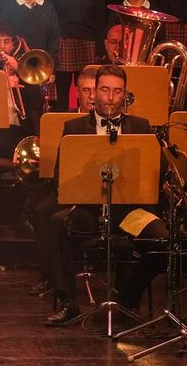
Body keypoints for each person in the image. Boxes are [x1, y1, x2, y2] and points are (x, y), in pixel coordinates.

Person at [41, 65, 162, 325]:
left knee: (163, 239)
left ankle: (128, 299)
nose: (110, 97)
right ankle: (68, 303)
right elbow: (60, 176)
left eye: (117, 91)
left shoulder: (141, 126)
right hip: (88, 209)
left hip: (129, 211)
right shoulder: (73, 127)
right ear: (94, 93)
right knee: (57, 222)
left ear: (125, 95)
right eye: (105, 90)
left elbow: (153, 176)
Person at [47, 0, 104, 110]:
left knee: (87, 91)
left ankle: (87, 128)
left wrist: (99, 48)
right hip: (63, 43)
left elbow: (100, 17)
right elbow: (52, 18)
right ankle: (61, 130)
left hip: (87, 44)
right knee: (61, 92)